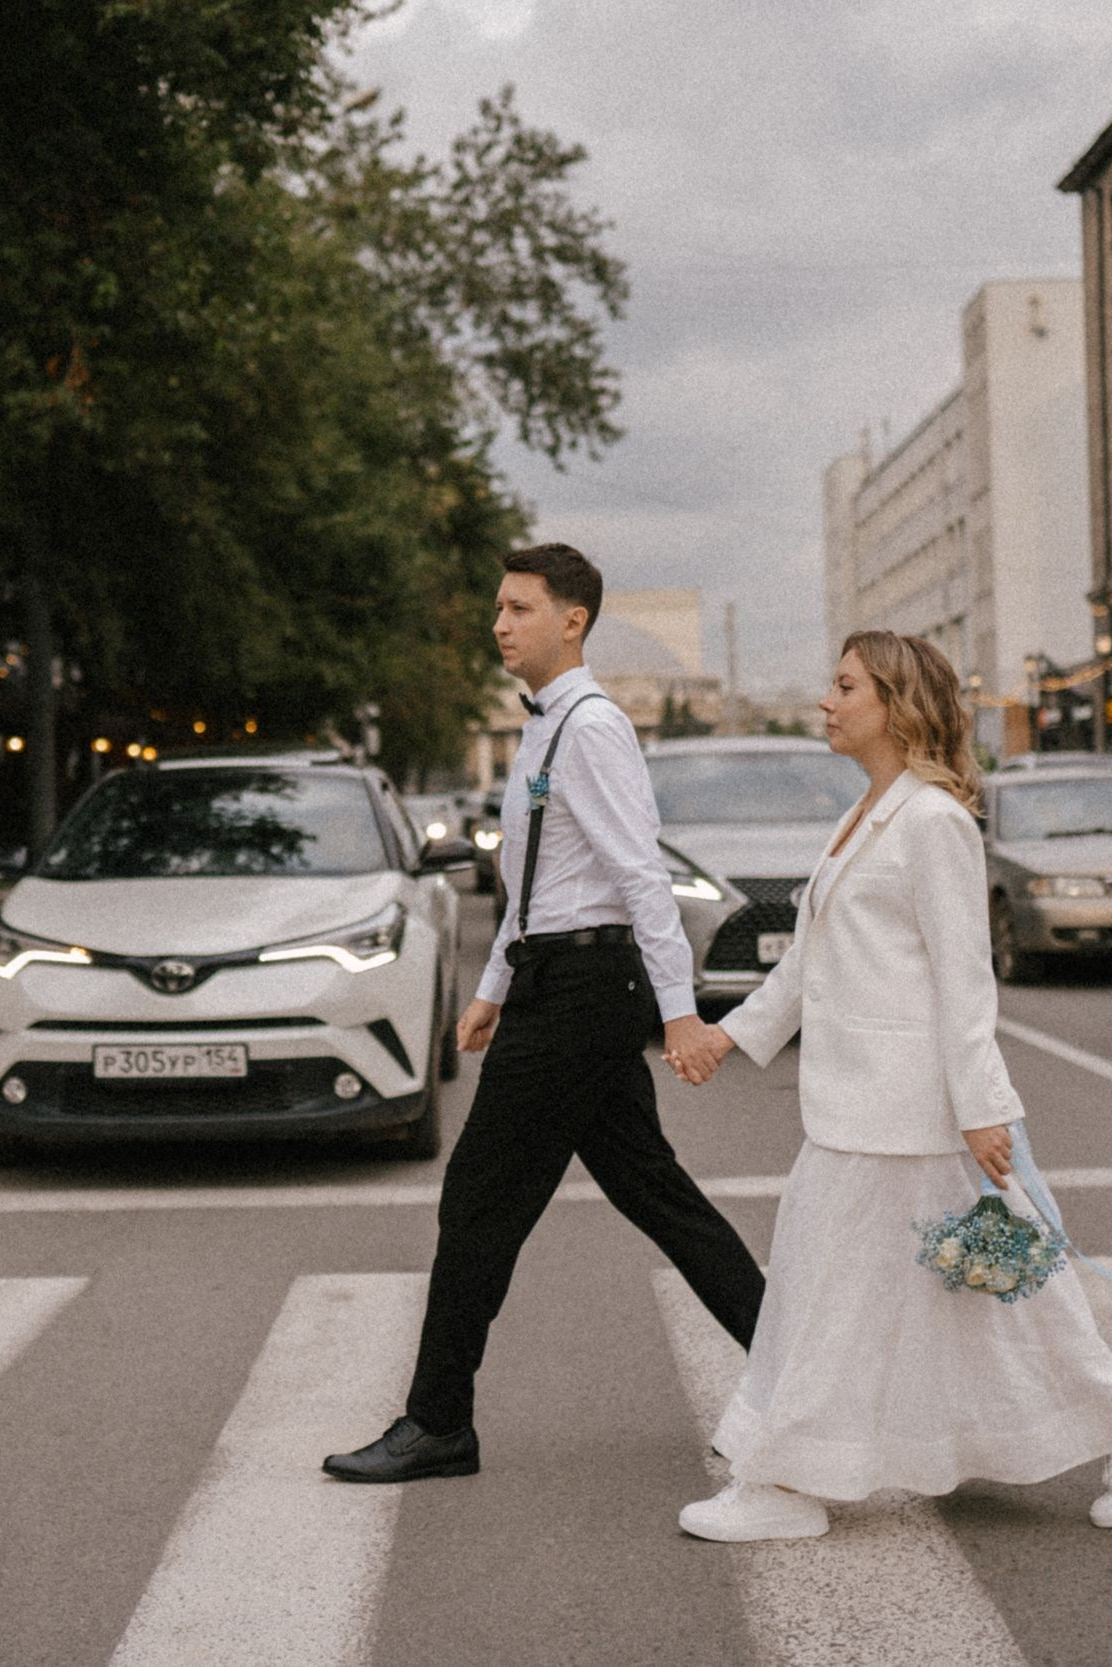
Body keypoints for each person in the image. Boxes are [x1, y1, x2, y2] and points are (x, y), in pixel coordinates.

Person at [667, 631, 1112, 1541]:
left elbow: (965, 979)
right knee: (978, 1298)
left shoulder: (934, 821)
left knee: (835, 1290)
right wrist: (728, 1036)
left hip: (907, 1111)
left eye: (845, 687)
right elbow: (808, 959)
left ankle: (783, 1480)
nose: (826, 702)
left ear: (897, 704)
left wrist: (983, 1110)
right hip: (865, 1107)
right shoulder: (866, 813)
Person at [323, 543, 765, 1484]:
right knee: (658, 1194)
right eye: (499, 607)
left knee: (477, 1199)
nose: (500, 624)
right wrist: (492, 987)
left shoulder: (593, 727)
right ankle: (801, 1375)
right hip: (558, 983)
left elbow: (640, 876)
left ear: (573, 620)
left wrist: (680, 1014)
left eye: (519, 608)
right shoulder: (546, 729)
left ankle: (438, 1421)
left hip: (581, 994)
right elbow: (531, 887)